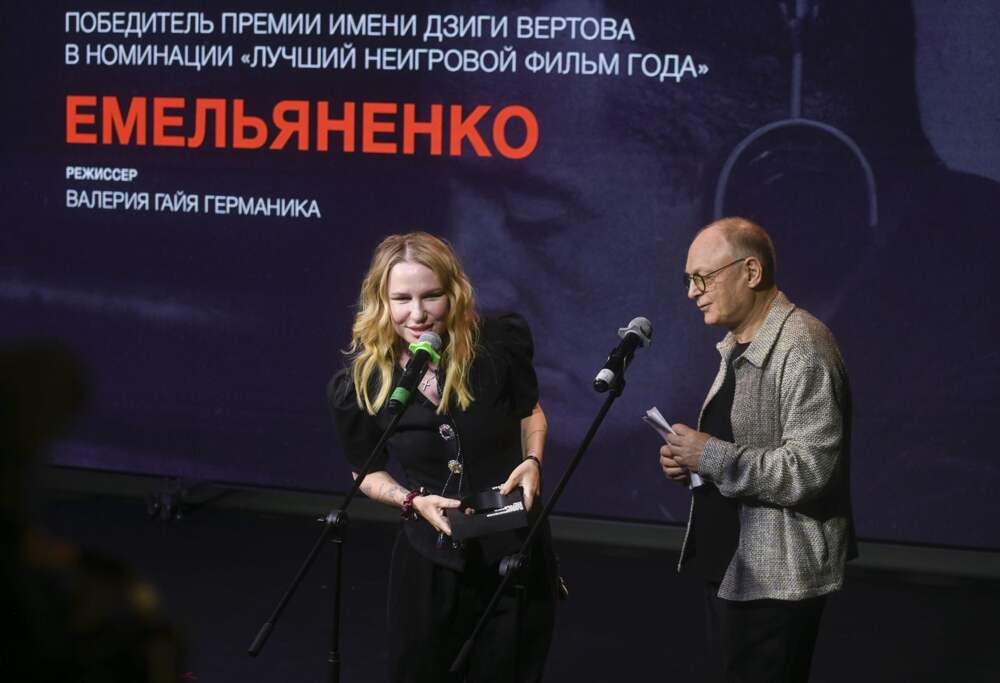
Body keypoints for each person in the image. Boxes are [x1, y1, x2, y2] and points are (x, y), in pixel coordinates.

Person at [327, 232, 557, 683]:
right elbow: (365, 471)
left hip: (512, 547)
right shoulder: (363, 382)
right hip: (429, 560)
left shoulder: (497, 343)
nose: (417, 314)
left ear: (454, 293)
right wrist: (411, 501)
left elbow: (530, 411)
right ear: (381, 301)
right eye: (402, 299)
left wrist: (533, 460)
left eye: (431, 296)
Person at [660, 217, 856, 683]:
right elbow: (739, 448)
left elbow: (810, 469)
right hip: (733, 569)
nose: (693, 292)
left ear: (751, 271)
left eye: (703, 277)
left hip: (777, 581)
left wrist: (710, 455)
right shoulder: (735, 345)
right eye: (689, 280)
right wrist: (689, 463)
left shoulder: (803, 346)